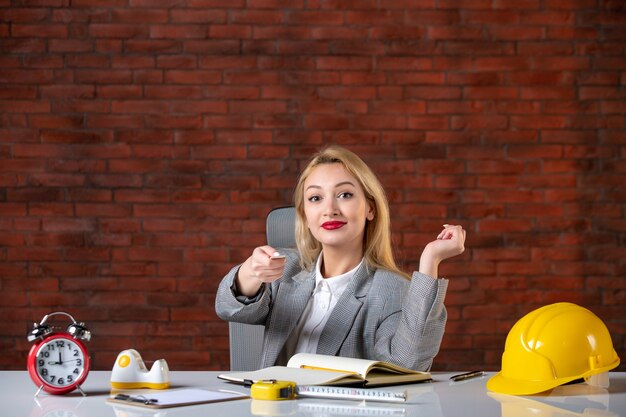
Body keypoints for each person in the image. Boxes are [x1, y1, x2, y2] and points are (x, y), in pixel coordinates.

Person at [215, 145, 466, 371]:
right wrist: (249, 272)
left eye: (344, 194)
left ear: (370, 208)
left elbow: (408, 364)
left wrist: (430, 261)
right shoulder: (285, 269)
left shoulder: (392, 290)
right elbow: (228, 309)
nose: (329, 209)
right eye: (315, 198)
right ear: (305, 216)